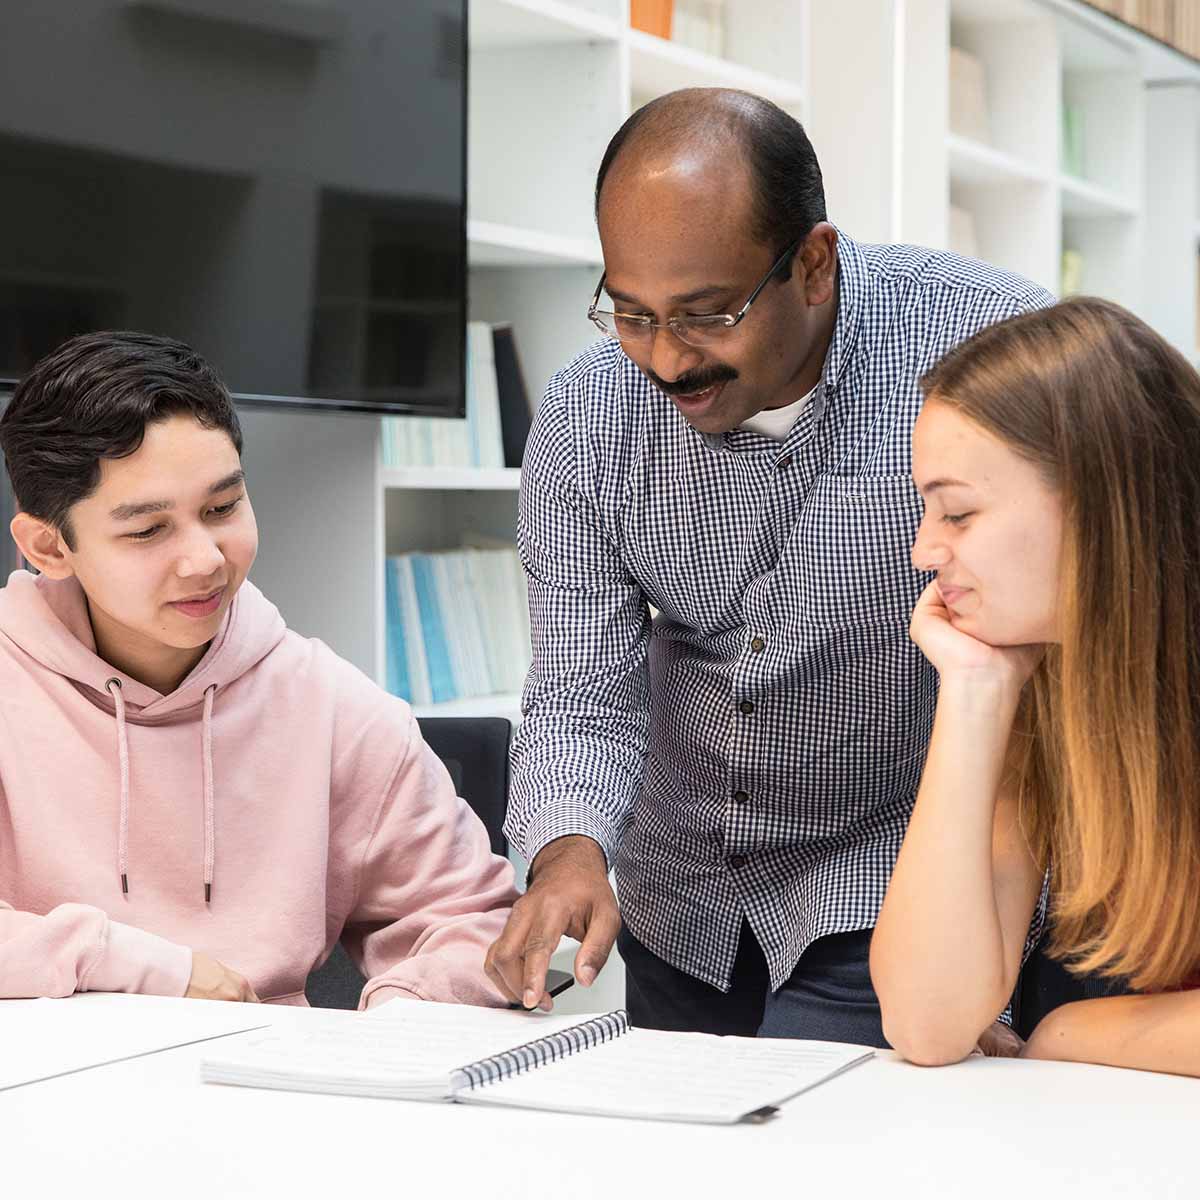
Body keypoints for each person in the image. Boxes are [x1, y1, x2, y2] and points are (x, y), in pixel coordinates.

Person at [485, 87, 1054, 1045]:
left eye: (708, 314)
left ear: (814, 263)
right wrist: (569, 853)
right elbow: (581, 683)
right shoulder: (591, 410)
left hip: (891, 864)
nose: (665, 360)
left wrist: (982, 956)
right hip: (686, 894)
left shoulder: (989, 350)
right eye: (630, 313)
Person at [0, 330, 518, 1007]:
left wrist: (404, 1025)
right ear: (49, 546)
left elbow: (471, 924)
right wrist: (129, 960)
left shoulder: (335, 709)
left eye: (222, 508)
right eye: (148, 530)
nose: (206, 560)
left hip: (262, 1096)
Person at [870, 296, 1200, 1075]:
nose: (924, 551)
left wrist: (1063, 1034)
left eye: (957, 512)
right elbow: (926, 1022)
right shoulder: (1046, 678)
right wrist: (974, 692)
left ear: (1098, 502)